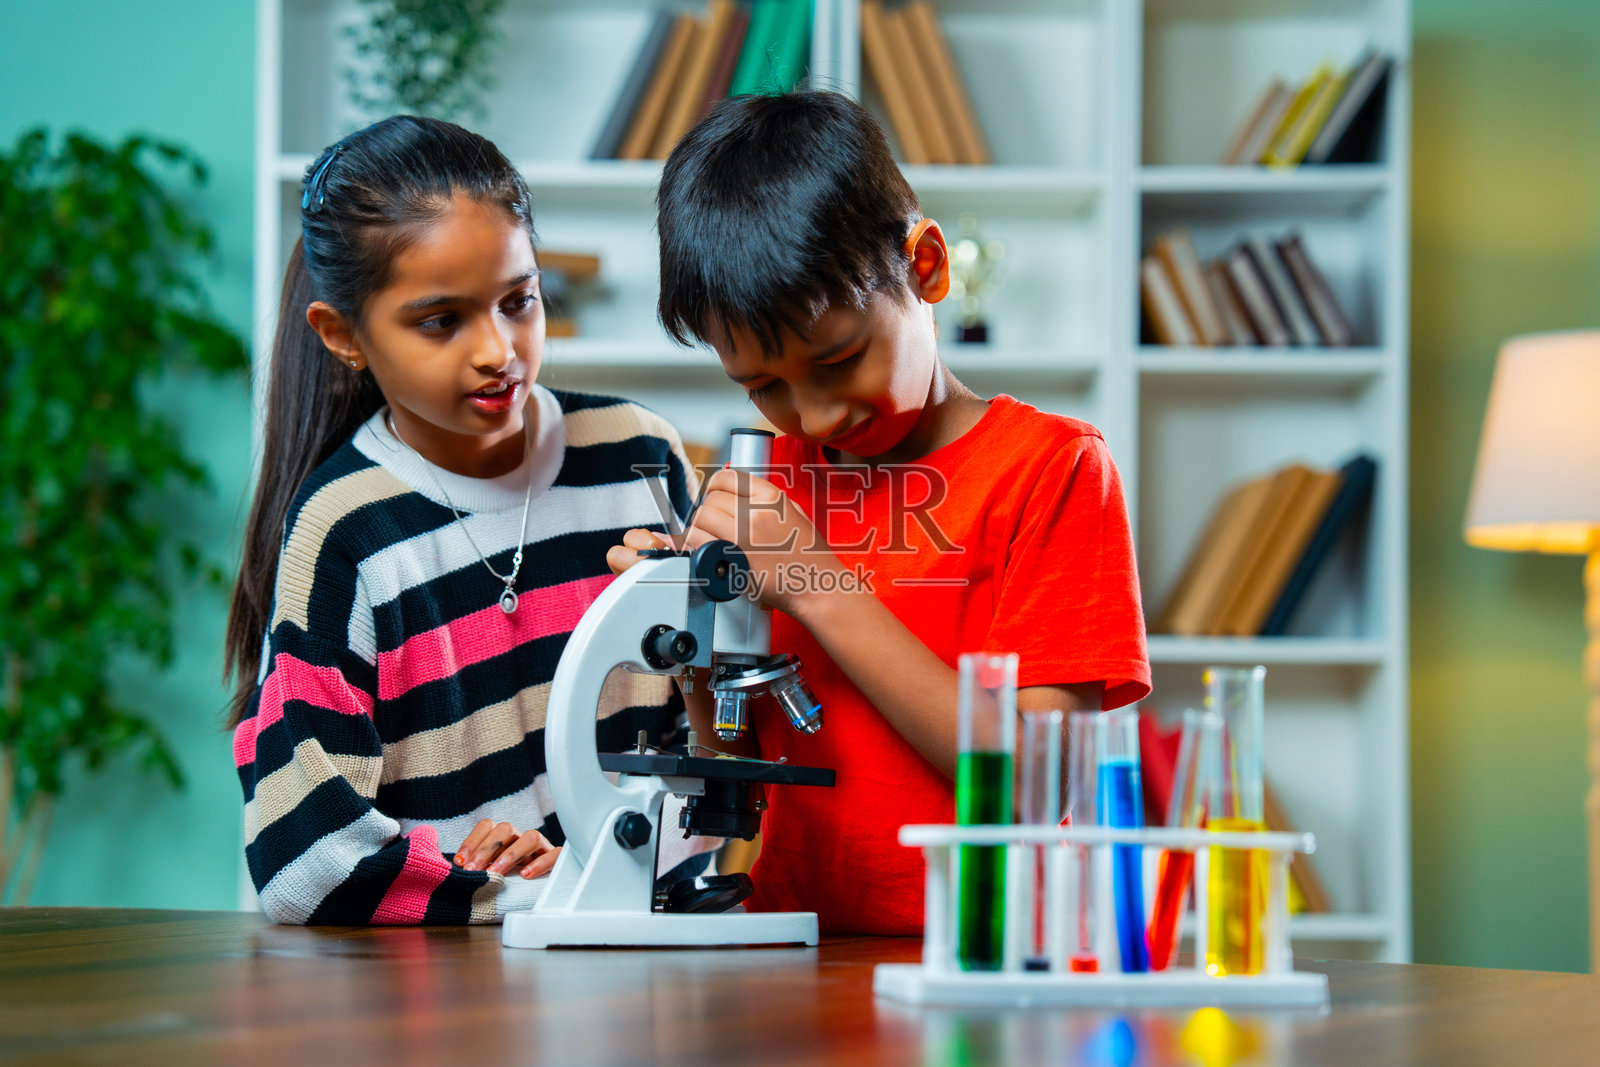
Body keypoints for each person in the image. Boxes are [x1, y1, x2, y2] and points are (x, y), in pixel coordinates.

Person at [612, 92, 1151, 935]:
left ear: (926, 266)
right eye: (764, 386)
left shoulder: (1051, 470)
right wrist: (685, 632)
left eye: (839, 358)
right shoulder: (770, 477)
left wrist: (820, 587)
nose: (817, 416)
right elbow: (733, 761)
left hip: (986, 956)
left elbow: (1041, 776)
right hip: (791, 944)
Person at [225, 116, 701, 925]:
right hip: (439, 1002)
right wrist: (505, 887)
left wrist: (601, 860)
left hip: (639, 969)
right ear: (343, 335)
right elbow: (302, 859)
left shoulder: (641, 456)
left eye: (519, 301)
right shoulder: (343, 531)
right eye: (441, 320)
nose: (497, 349)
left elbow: (712, 740)